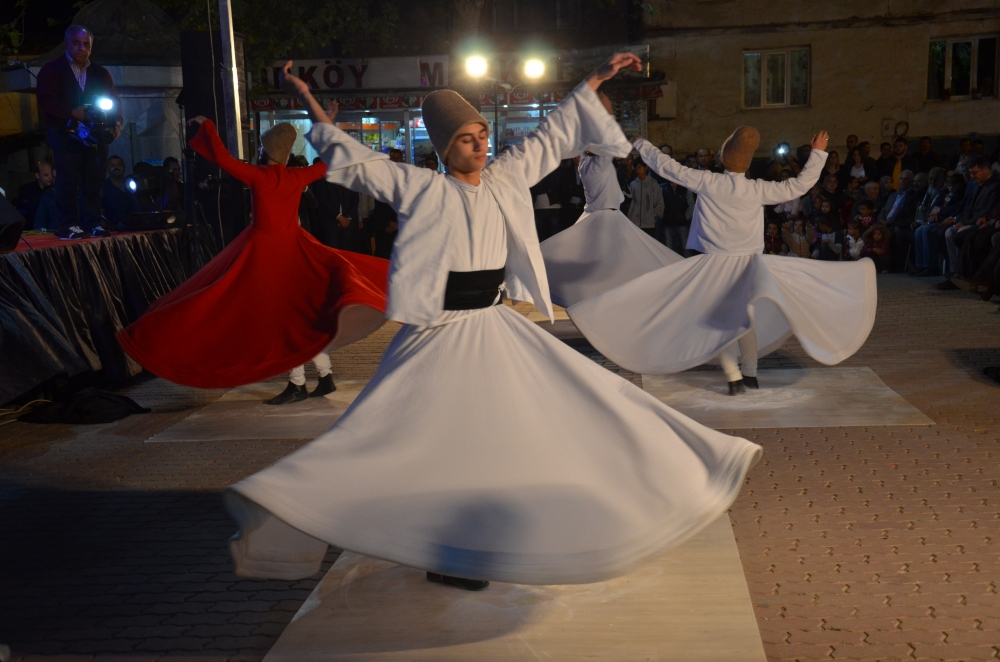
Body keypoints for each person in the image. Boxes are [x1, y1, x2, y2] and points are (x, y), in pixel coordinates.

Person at [221, 55, 762, 590]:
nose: (480, 144)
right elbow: (356, 160)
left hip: (492, 325)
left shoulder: (504, 177)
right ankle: (336, 514)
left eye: (481, 134)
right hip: (439, 332)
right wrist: (306, 99)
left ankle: (468, 545)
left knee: (555, 410)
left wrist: (594, 79)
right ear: (443, 146)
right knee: (390, 436)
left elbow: (550, 136)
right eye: (465, 138)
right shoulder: (423, 188)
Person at [567, 126, 877, 396]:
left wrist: (643, 144)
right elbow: (798, 186)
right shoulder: (757, 188)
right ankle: (750, 374)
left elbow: (669, 167)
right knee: (745, 320)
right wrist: (819, 154)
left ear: (724, 156)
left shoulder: (709, 181)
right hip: (748, 266)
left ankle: (733, 376)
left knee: (721, 322)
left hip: (716, 265)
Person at [116, 117, 390, 390]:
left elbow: (223, 159)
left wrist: (208, 126)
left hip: (265, 254)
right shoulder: (297, 175)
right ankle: (324, 375)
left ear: (265, 151)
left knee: (279, 317)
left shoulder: (259, 176)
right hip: (295, 249)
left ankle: (298, 383)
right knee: (299, 315)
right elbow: (329, 163)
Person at [540, 92, 682, 309]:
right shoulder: (596, 163)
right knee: (620, 261)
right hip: (605, 217)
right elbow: (607, 143)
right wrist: (606, 114)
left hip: (595, 215)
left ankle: (607, 298)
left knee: (609, 262)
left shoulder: (586, 162)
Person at [36, 25, 122, 239]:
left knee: (94, 179)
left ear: (91, 48)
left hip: (96, 134)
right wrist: (72, 113)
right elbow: (46, 101)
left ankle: (92, 222)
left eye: (86, 45)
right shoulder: (52, 69)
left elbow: (114, 101)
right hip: (64, 133)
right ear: (67, 43)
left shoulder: (101, 73)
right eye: (76, 43)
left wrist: (117, 122)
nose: (81, 48)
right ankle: (68, 225)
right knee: (67, 180)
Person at [369, 148, 402, 257]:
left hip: (402, 229)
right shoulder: (381, 180)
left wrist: (398, 224)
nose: (396, 161)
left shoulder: (408, 180)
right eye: (393, 158)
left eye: (398, 158)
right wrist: (389, 223)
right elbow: (378, 208)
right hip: (384, 230)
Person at [626, 158, 664, 238]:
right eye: (636, 168)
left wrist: (653, 214)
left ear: (645, 167)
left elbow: (660, 202)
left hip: (649, 224)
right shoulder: (633, 184)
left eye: (640, 167)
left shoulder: (653, 183)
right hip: (635, 222)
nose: (638, 170)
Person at [16, 162, 56, 230]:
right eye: (46, 175)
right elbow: (21, 212)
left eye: (52, 175)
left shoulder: (53, 191)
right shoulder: (26, 190)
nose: (50, 178)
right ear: (37, 175)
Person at [101, 155, 137, 230]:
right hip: (114, 229)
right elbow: (101, 212)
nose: (116, 167)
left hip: (136, 226)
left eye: (119, 164)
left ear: (124, 168)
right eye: (112, 165)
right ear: (107, 169)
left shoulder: (133, 184)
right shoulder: (103, 188)